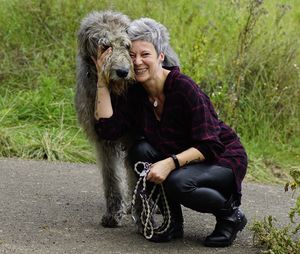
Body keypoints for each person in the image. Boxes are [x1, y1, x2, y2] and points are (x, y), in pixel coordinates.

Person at [92, 17, 248, 247]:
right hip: (184, 159)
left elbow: (210, 145)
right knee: (140, 151)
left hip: (221, 158)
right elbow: (108, 129)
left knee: (177, 183)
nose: (137, 62)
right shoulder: (136, 93)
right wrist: (102, 80)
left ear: (160, 56)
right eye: (132, 55)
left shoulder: (184, 88)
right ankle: (173, 223)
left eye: (145, 54)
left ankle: (230, 216)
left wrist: (170, 163)